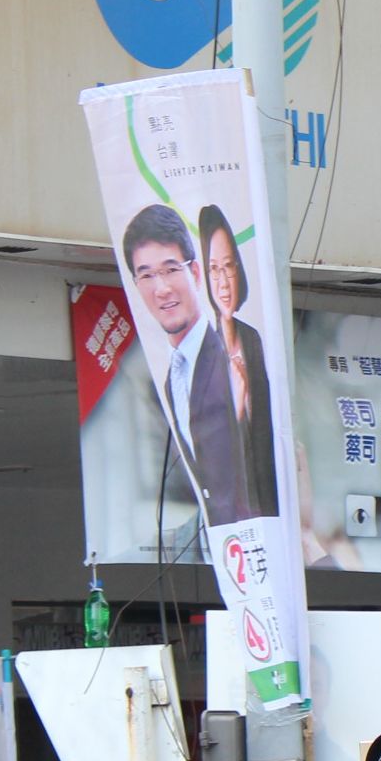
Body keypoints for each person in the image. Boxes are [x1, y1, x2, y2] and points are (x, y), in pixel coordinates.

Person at [120, 203, 265, 527]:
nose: (162, 289)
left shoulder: (229, 358)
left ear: (196, 273)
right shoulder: (173, 376)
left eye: (171, 269)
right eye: (147, 275)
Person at [198, 205, 278, 519]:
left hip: (267, 505)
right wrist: (237, 407)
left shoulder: (252, 339)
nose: (223, 282)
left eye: (229, 266)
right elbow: (205, 452)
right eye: (214, 269)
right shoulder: (203, 355)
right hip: (227, 515)